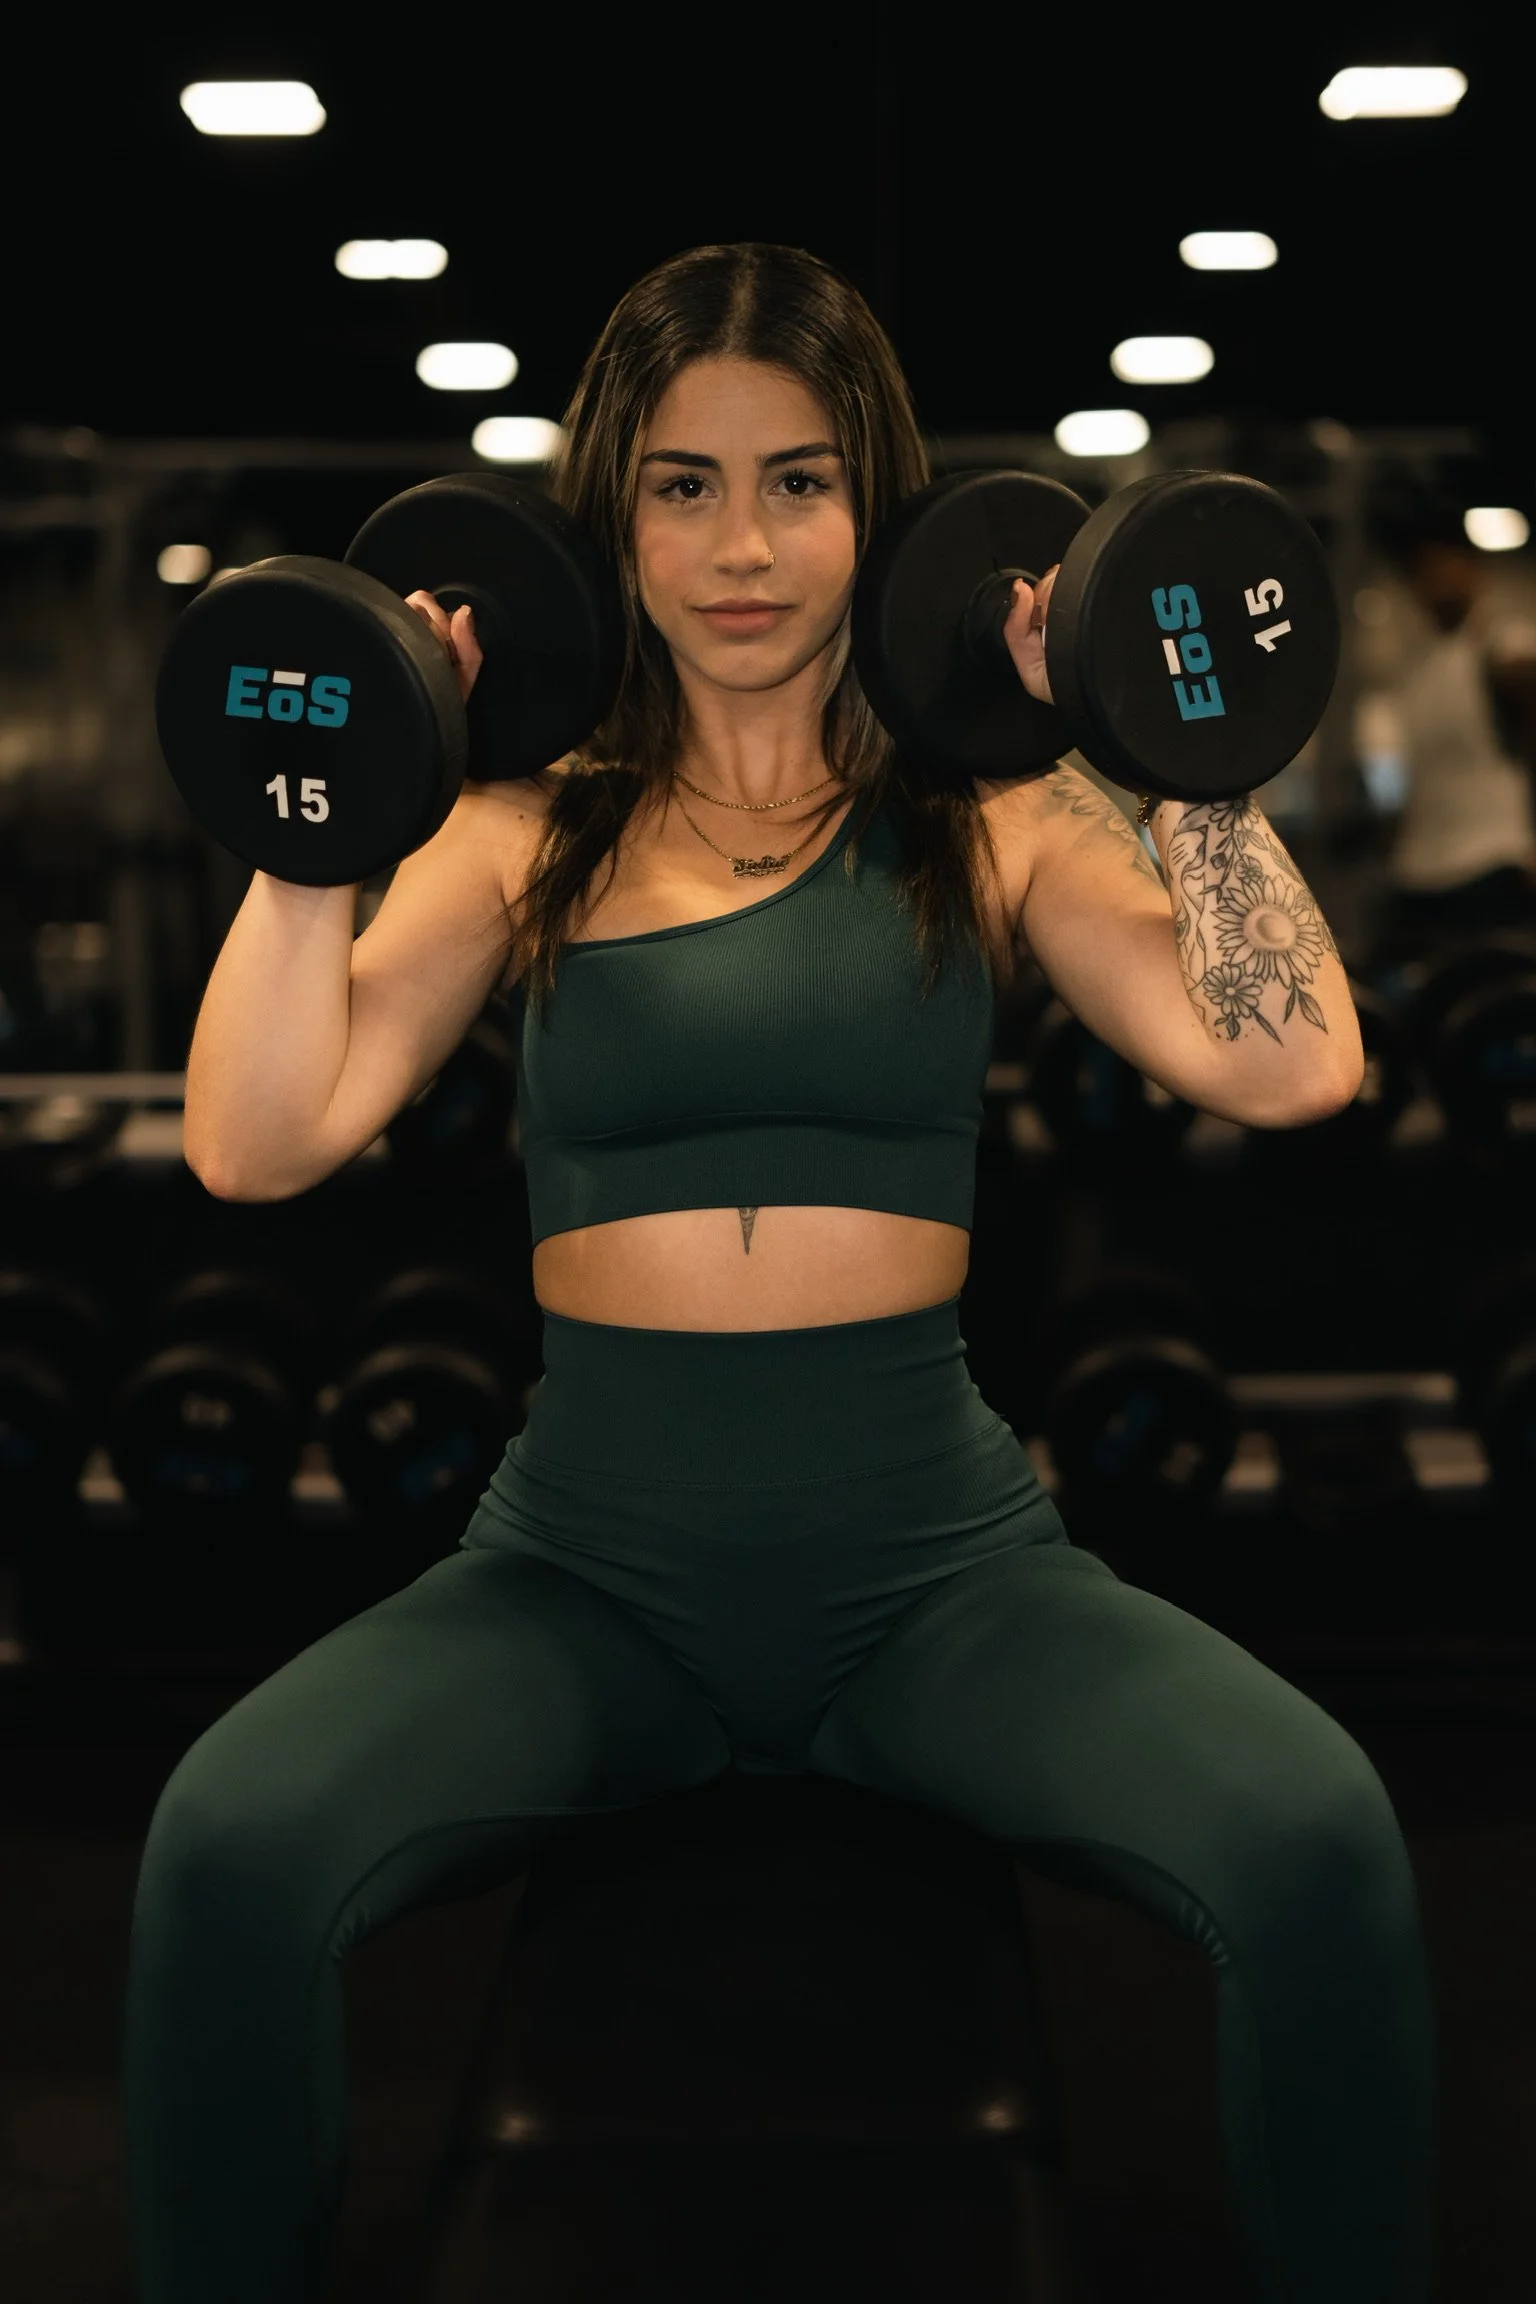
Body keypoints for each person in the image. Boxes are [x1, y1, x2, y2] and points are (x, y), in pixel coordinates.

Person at [122, 243, 1435, 2303]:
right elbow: (253, 1141)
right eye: (682, 485)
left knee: (1320, 1844)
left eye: (800, 483)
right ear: (612, 510)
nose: (743, 547)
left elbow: (1291, 1068)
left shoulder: (985, 814)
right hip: (587, 1577)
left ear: (875, 502)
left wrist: (1174, 749)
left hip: (934, 1566)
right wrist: (332, 818)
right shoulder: (514, 826)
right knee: (221, 1854)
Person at [1377, 515, 1536, 958]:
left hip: (1491, 865)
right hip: (1419, 872)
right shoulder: (1417, 671)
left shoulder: (1506, 645)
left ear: (1473, 570)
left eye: (1445, 565)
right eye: (1423, 571)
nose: (1435, 580)